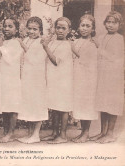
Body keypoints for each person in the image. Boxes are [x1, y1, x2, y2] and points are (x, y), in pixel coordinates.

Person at [90, 11, 124, 144]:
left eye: (113, 23)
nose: (110, 25)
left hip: (113, 77)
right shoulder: (102, 36)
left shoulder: (119, 38)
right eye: (108, 22)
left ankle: (110, 133)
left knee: (112, 104)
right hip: (103, 75)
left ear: (119, 24)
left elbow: (115, 58)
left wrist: (99, 48)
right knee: (103, 103)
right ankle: (102, 131)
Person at [41, 17, 73, 144]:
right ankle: (54, 132)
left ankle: (63, 135)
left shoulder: (67, 45)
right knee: (54, 107)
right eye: (58, 27)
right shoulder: (53, 42)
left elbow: (55, 61)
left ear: (69, 30)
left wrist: (45, 47)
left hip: (63, 80)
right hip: (54, 79)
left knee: (63, 107)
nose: (60, 30)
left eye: (63, 28)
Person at [17, 16, 48, 144]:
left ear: (40, 30)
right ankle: (30, 133)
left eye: (35, 29)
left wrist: (24, 47)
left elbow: (36, 61)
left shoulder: (41, 42)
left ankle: (36, 134)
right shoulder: (27, 40)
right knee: (28, 105)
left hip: (37, 79)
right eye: (29, 28)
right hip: (27, 78)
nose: (31, 31)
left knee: (37, 105)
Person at [71, 14, 98, 143]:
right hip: (78, 77)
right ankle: (82, 131)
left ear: (92, 29)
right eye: (82, 25)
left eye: (88, 26)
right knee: (80, 105)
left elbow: (87, 60)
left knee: (87, 105)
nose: (84, 28)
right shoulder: (76, 41)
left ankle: (86, 132)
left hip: (88, 78)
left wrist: (73, 50)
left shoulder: (93, 43)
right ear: (78, 27)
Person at [0, 17, 24, 143]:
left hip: (12, 79)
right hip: (2, 78)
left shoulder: (17, 42)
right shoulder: (4, 42)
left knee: (12, 107)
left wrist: (1, 45)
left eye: (10, 26)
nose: (6, 28)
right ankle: (5, 131)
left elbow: (10, 60)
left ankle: (10, 133)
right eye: (5, 26)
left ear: (16, 29)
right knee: (4, 106)